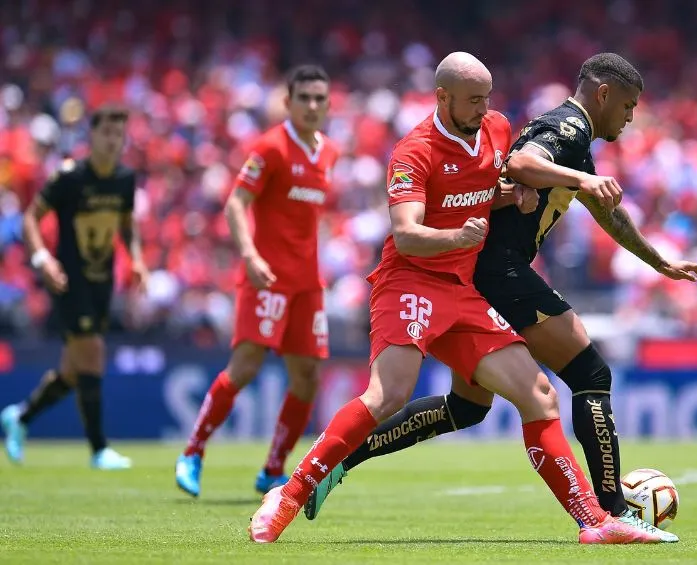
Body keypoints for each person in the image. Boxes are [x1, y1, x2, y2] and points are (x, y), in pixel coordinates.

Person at [248, 51, 670, 545]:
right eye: (472, 100)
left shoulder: (495, 127)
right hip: (411, 281)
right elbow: (406, 234)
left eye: (486, 98)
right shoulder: (413, 151)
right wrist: (458, 237)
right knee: (389, 394)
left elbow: (487, 186)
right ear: (442, 97)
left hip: (464, 290)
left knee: (537, 395)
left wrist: (510, 196)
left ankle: (595, 522)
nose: (483, 109)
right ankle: (289, 493)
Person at [173, 64, 339, 497]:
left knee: (308, 376)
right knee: (245, 367)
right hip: (267, 278)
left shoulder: (329, 153)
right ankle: (192, 452)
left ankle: (272, 469)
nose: (312, 105)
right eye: (304, 98)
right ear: (288, 102)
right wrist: (248, 256)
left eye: (319, 98)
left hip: (308, 283)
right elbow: (235, 204)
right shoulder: (270, 148)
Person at [2, 105, 149, 470]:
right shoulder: (70, 177)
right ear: (92, 135)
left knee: (73, 370)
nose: (113, 141)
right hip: (68, 280)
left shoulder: (124, 179)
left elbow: (127, 224)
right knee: (93, 353)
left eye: (118, 134)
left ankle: (19, 417)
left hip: (102, 282)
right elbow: (31, 218)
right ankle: (99, 449)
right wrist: (43, 260)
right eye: (106, 133)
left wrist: (136, 259)